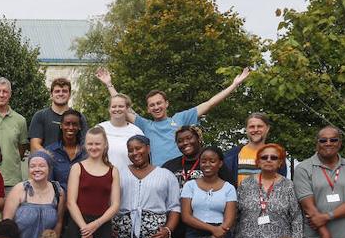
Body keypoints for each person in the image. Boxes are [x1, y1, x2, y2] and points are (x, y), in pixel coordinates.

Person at [98, 66, 251, 166]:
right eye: (152, 105)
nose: (156, 107)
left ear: (166, 104)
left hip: (183, 172)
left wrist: (234, 85)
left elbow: (209, 103)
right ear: (148, 109)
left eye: (159, 103)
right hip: (160, 175)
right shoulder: (146, 125)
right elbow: (122, 106)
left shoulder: (180, 119)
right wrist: (109, 84)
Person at [114, 136, 180, 238]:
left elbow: (174, 207)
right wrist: (110, 226)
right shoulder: (118, 173)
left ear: (148, 148)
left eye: (138, 148)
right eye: (130, 150)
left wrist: (168, 230)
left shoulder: (166, 175)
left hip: (154, 231)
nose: (135, 153)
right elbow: (109, 201)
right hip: (125, 229)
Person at [64, 125, 122, 238]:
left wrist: (95, 224)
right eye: (90, 144)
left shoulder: (113, 170)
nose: (94, 147)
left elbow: (115, 204)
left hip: (102, 226)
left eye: (97, 144)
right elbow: (70, 202)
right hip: (79, 225)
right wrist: (85, 228)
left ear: (105, 145)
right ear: (85, 145)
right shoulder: (77, 168)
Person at [178, 145, 237, 238]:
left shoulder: (229, 188)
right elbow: (186, 216)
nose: (207, 164)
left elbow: (230, 219)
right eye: (203, 161)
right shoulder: (190, 186)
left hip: (221, 235)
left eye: (212, 161)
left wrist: (217, 234)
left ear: (220, 163)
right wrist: (213, 230)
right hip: (194, 234)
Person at [3, 150, 65, 238]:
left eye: (42, 166)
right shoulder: (20, 189)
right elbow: (6, 223)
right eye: (32, 166)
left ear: (49, 168)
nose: (37, 169)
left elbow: (59, 223)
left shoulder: (58, 192)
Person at [161, 125, 205, 238]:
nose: (185, 143)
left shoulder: (210, 162)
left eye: (189, 138)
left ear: (198, 138)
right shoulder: (169, 166)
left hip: (201, 225)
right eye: (180, 141)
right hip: (175, 226)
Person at [224, 112, 287, 186]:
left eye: (259, 126)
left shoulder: (276, 155)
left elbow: (281, 183)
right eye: (252, 127)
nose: (256, 129)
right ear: (246, 129)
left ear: (267, 128)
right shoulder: (232, 155)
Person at [94, 71, 140, 168]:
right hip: (103, 178)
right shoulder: (99, 128)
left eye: (121, 106)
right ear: (109, 109)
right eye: (114, 106)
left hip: (129, 179)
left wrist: (109, 84)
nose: (117, 109)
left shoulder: (136, 131)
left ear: (127, 109)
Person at [29, 77, 84, 152]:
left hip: (73, 162)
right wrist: (52, 158)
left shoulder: (78, 117)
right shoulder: (40, 116)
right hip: (47, 161)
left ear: (70, 94)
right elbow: (34, 145)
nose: (61, 94)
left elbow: (84, 144)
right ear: (51, 94)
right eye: (57, 91)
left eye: (64, 91)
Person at [46, 108, 86, 193]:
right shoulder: (50, 151)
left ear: (79, 127)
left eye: (74, 124)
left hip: (83, 200)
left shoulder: (86, 152)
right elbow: (48, 183)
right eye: (67, 124)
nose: (71, 127)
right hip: (58, 200)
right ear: (61, 125)